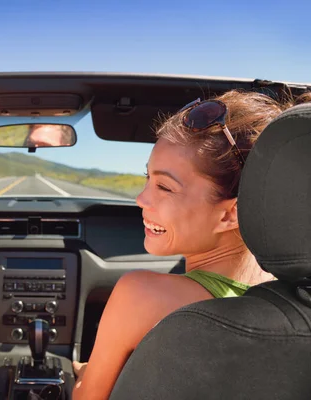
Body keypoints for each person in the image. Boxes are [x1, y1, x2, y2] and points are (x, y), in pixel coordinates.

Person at [72, 90, 288, 400]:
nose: (141, 199)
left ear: (231, 214)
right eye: (147, 178)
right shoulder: (290, 301)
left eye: (164, 187)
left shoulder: (141, 296)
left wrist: (81, 378)